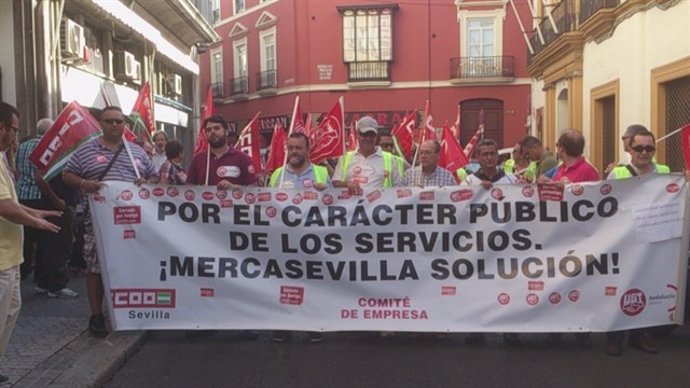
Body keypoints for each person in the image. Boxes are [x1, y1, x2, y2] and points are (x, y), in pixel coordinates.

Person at [63, 106, 155, 338]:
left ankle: (130, 311)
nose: (115, 125)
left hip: (133, 223)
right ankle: (96, 315)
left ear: (125, 124)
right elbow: (67, 174)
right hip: (98, 223)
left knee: (132, 264)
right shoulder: (85, 151)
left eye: (119, 121)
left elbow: (154, 177)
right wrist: (84, 184)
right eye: (110, 121)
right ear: (100, 123)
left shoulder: (138, 152)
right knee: (94, 268)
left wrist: (147, 181)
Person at [0, 102, 61, 383]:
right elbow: (5, 207)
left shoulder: (3, 158)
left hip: (10, 257)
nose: (16, 135)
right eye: (14, 129)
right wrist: (36, 221)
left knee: (10, 312)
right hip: (1, 260)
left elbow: (11, 202)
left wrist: (36, 212)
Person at [605, 129, 665, 356]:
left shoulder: (665, 172)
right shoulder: (618, 173)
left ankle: (640, 335)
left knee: (647, 286)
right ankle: (615, 337)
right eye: (639, 148)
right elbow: (605, 203)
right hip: (623, 240)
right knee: (619, 287)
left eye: (649, 148)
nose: (644, 152)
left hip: (651, 239)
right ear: (630, 149)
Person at [268, 132, 329, 343]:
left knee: (312, 282)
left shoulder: (321, 173)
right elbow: (266, 204)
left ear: (307, 149)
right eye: (291, 147)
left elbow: (336, 205)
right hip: (284, 240)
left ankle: (313, 325)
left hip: (313, 239)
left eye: (298, 147)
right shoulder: (277, 175)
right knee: (284, 282)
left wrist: (327, 191)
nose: (294, 151)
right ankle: (284, 325)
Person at [459, 138, 517, 345]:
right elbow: (456, 209)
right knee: (478, 288)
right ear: (477, 158)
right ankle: (477, 329)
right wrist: (475, 193)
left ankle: (510, 329)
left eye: (493, 153)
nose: (490, 157)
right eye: (485, 154)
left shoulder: (511, 180)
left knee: (508, 286)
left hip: (506, 244)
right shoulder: (468, 182)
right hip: (478, 244)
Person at [14, 118, 51, 280]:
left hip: (22, 195)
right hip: (38, 196)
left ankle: (23, 269)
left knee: (25, 237)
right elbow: (42, 176)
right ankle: (40, 274)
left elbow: (17, 170)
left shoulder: (22, 146)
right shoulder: (46, 147)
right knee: (43, 239)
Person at [333, 116, 405, 194]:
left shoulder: (390, 159)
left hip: (380, 205)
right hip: (351, 205)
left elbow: (398, 188)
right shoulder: (345, 158)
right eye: (364, 134)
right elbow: (335, 182)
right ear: (357, 134)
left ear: (376, 136)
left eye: (371, 135)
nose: (368, 138)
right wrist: (347, 184)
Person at [187, 115, 257, 188]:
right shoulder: (197, 159)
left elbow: (253, 188)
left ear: (226, 132)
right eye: (208, 130)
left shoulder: (242, 158)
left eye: (216, 128)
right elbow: (189, 188)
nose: (212, 132)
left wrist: (233, 187)